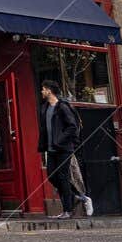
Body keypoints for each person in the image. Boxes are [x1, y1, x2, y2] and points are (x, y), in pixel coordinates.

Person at [38, 80, 90, 219]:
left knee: (63, 177)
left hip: (63, 148)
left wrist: (59, 140)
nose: (41, 92)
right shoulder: (45, 107)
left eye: (43, 89)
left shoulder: (62, 106)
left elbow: (72, 127)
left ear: (49, 90)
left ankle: (67, 210)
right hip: (51, 149)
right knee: (52, 176)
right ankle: (77, 196)